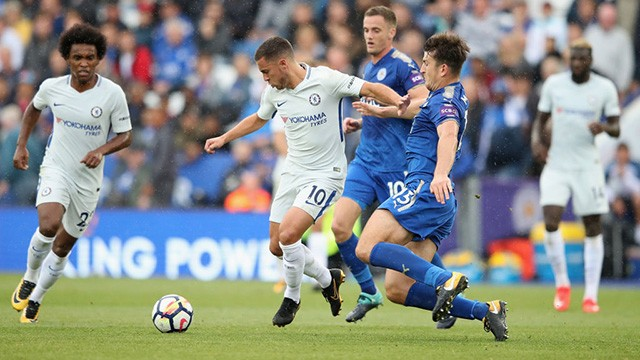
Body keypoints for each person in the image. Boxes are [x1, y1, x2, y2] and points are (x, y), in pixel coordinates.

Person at [204, 36, 409, 327]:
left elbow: (369, 88)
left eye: (266, 72)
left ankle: (292, 297)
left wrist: (401, 102)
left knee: (289, 236)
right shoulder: (273, 92)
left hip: (326, 174)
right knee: (276, 246)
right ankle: (329, 279)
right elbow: (259, 119)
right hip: (293, 171)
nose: (264, 78)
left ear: (283, 63)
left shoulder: (325, 79)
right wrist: (225, 137)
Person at [353, 32, 509, 341]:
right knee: (397, 288)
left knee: (365, 248)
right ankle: (487, 310)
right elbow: (416, 108)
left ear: (443, 69)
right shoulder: (449, 94)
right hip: (440, 202)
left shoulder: (446, 104)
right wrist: (380, 112)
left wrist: (439, 174)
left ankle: (443, 279)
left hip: (425, 188)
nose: (421, 69)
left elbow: (448, 135)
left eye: (426, 63)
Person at [330, 5, 455, 329]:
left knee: (413, 242)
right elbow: (382, 110)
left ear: (391, 33)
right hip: (366, 162)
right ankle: (369, 292)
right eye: (366, 30)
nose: (370, 36)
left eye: (376, 31)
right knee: (341, 226)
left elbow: (420, 104)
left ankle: (447, 288)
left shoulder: (403, 65)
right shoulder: (367, 67)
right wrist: (362, 120)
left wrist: (387, 110)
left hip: (397, 169)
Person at [10, 23, 133, 323]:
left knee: (63, 246)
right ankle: (29, 277)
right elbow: (33, 110)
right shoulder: (52, 87)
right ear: (67, 58)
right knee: (49, 224)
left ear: (99, 59)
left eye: (90, 57)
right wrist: (21, 144)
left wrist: (100, 151)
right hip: (57, 168)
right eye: (77, 57)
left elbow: (126, 135)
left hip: (88, 181)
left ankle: (37, 298)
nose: (84, 64)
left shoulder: (112, 93)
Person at [531, 38, 620, 313]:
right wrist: (537, 143)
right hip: (557, 163)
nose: (578, 63)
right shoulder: (554, 85)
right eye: (574, 59)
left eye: (583, 59)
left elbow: (617, 128)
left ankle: (591, 295)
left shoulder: (604, 88)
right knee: (550, 220)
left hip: (587, 166)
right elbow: (541, 119)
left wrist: (603, 127)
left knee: (593, 226)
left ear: (590, 61)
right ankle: (562, 284)